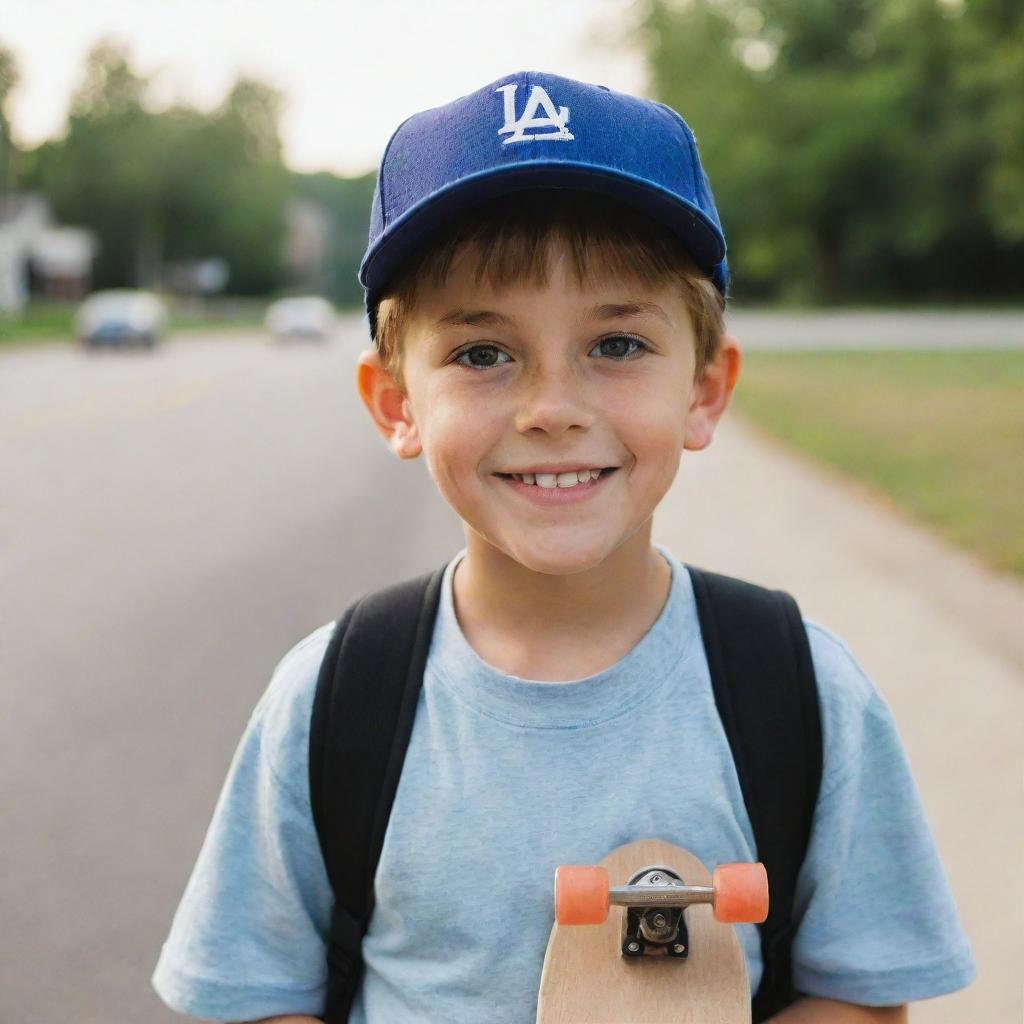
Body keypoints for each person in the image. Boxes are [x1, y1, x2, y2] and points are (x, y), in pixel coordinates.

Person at [152, 71, 975, 1023]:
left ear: (705, 389)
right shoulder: (337, 699)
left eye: (617, 345)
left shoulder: (796, 688)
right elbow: (252, 993)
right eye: (482, 354)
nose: (552, 410)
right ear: (397, 403)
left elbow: (863, 994)